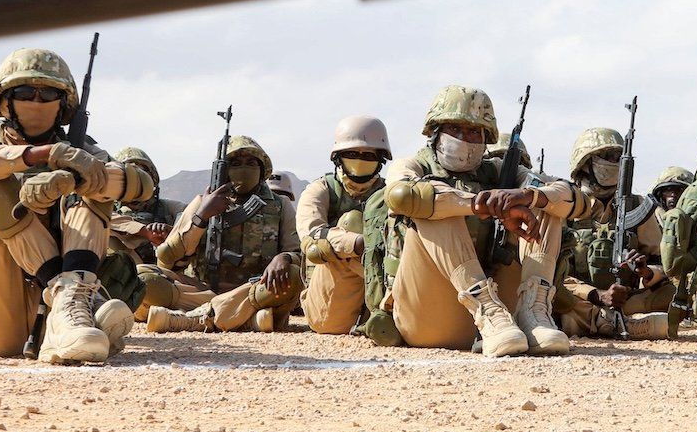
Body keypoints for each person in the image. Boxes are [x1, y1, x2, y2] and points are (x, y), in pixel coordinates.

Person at [0, 48, 154, 363]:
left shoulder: (79, 150)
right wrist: (37, 156)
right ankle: (85, 315)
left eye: (47, 93)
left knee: (95, 180)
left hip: (56, 301)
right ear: (4, 101)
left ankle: (69, 309)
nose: (36, 101)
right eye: (24, 92)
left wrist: (77, 178)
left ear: (63, 104)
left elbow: (141, 185)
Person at [371, 85, 586, 357]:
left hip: (506, 325)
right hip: (428, 314)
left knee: (545, 204)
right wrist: (478, 205)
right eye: (456, 129)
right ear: (436, 132)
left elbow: (574, 198)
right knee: (433, 202)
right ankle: (487, 309)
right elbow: (402, 196)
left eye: (474, 131)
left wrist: (526, 197)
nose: (465, 138)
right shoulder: (412, 166)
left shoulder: (495, 170)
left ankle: (534, 313)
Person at [144, 135, 301, 333]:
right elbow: (167, 260)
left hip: (254, 292)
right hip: (203, 293)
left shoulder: (280, 205)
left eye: (252, 163)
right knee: (145, 278)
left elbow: (298, 253)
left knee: (292, 276)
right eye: (235, 163)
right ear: (225, 171)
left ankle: (196, 319)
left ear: (262, 171)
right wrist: (202, 216)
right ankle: (244, 320)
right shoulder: (202, 202)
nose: (244, 168)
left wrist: (284, 257)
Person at [555, 128, 672, 340]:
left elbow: (662, 267)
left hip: (623, 299)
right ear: (585, 163)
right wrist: (596, 295)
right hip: (578, 295)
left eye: (618, 158)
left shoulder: (635, 205)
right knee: (552, 294)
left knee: (669, 294)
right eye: (608, 157)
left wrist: (645, 272)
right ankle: (608, 322)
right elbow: (553, 272)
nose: (615, 163)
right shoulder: (567, 204)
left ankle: (598, 321)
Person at [299, 115, 390, 334]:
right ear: (338, 158)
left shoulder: (388, 194)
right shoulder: (321, 189)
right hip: (329, 302)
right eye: (351, 154)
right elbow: (311, 235)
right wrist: (358, 243)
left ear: (380, 160)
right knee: (352, 221)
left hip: (378, 283)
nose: (360, 160)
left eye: (368, 155)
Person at [108, 147, 187, 266]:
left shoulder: (170, 208)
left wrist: (171, 232)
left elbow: (189, 220)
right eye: (130, 178)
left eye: (141, 176)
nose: (135, 184)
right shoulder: (107, 210)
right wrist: (143, 231)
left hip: (165, 274)